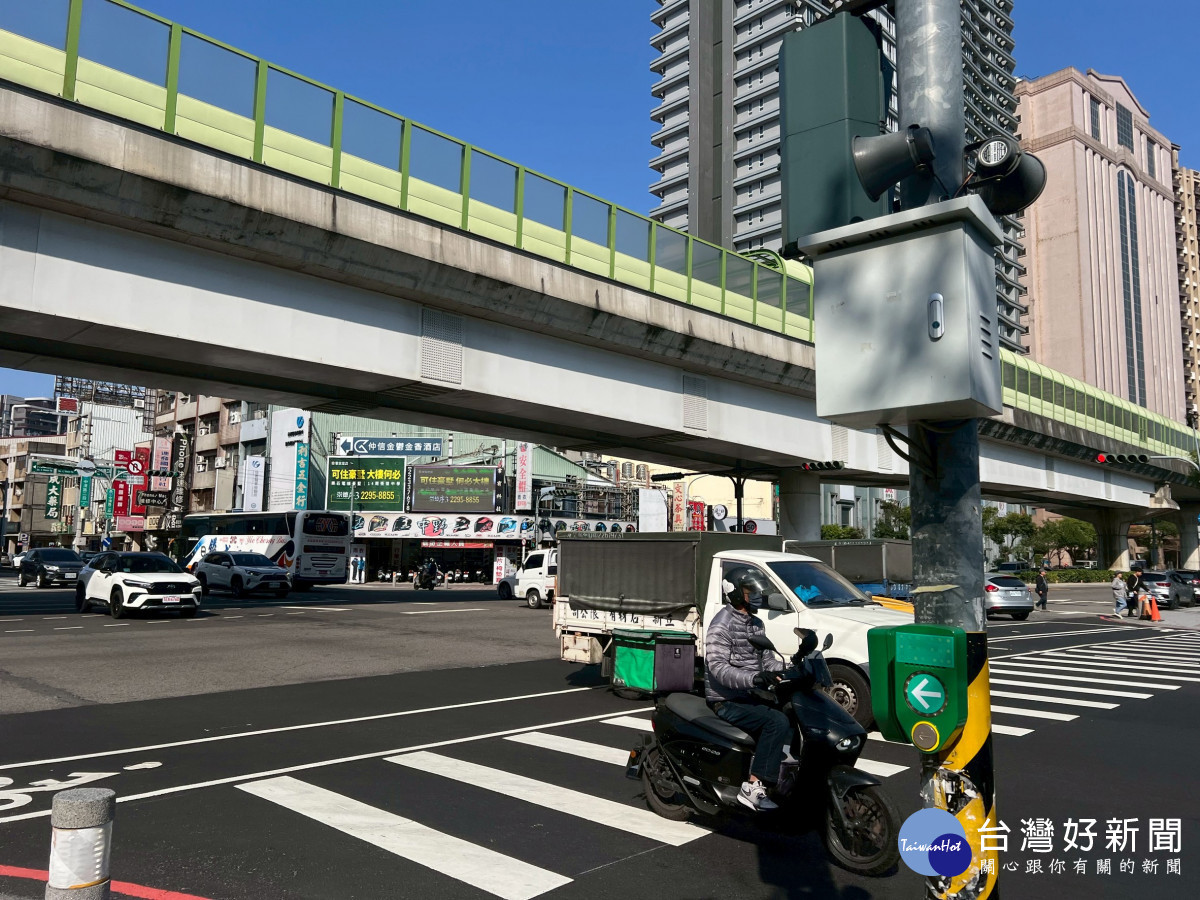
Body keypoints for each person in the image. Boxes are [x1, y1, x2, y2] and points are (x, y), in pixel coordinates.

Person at [704, 566, 788, 811]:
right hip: (726, 699)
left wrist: (790, 668)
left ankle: (785, 774)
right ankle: (753, 787)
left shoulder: (756, 623)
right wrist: (755, 678)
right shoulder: (721, 626)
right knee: (776, 722)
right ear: (736, 593)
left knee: (793, 710)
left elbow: (767, 660)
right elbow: (718, 668)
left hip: (751, 693)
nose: (758, 595)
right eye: (751, 590)